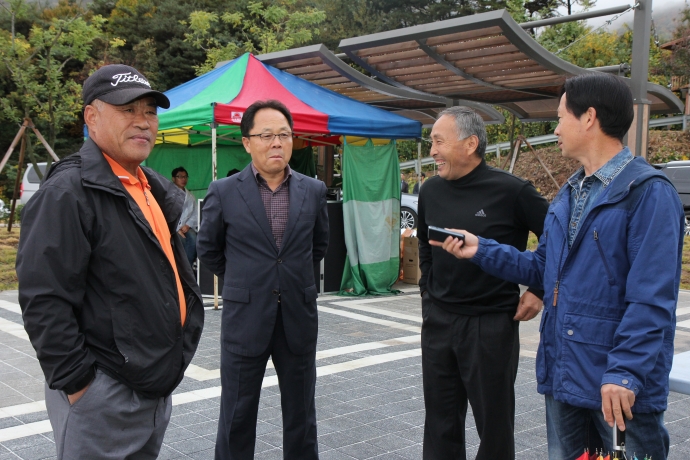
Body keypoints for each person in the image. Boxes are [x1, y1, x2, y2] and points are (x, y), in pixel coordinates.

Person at [434, 73, 683, 460]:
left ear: (589, 118)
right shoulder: (570, 193)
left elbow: (651, 299)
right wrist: (481, 249)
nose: (556, 128)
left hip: (617, 388)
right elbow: (543, 269)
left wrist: (625, 372)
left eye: (561, 117)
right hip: (566, 376)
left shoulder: (648, 193)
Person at [16, 64, 204, 459]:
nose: (143, 122)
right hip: (103, 392)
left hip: (151, 386)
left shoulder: (148, 187)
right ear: (92, 116)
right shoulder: (68, 192)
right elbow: (44, 299)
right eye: (127, 110)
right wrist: (80, 385)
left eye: (150, 112)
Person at [197, 99, 329, 460]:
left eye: (284, 135)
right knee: (237, 415)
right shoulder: (224, 191)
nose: (277, 143)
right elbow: (208, 249)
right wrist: (244, 280)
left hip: (297, 318)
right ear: (246, 142)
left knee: (302, 415)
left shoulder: (313, 190)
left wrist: (289, 278)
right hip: (245, 317)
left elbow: (318, 246)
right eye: (267, 135)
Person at [418, 106, 549, 459]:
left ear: (470, 143)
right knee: (440, 423)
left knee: (494, 426)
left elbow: (560, 239)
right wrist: (427, 292)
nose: (432, 151)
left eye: (439, 142)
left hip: (490, 325)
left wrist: (538, 290)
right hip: (439, 321)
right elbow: (424, 245)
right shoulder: (430, 190)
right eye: (432, 142)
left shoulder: (513, 191)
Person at [172, 166, 199, 267]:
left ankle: (188, 267)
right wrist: (177, 229)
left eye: (185, 177)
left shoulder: (190, 196)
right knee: (180, 240)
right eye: (180, 177)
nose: (183, 179)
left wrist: (188, 225)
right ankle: (180, 268)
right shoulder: (168, 195)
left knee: (193, 239)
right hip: (172, 227)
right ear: (173, 179)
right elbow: (166, 214)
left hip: (186, 227)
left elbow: (195, 213)